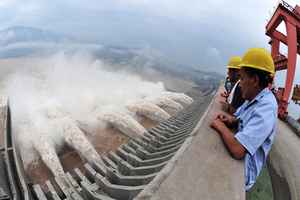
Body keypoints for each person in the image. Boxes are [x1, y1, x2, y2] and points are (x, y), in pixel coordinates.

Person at [210, 48, 278, 192]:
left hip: (246, 171)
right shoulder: (255, 97)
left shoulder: (267, 108)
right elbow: (239, 118)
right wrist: (230, 121)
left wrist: (220, 126)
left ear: (254, 80)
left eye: (242, 78)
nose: (239, 84)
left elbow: (238, 150)